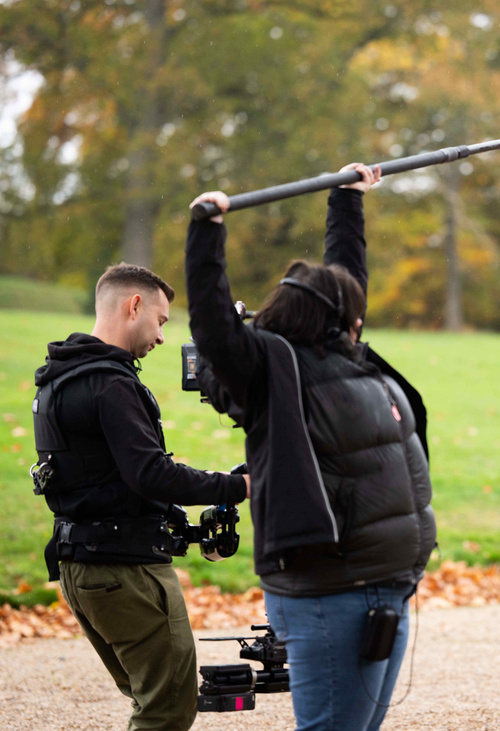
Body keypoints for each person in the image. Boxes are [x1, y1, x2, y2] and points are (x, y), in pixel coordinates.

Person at [185, 162, 436, 731]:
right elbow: (215, 327)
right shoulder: (274, 374)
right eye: (351, 311)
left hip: (386, 587)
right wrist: (206, 234)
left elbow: (346, 280)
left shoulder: (344, 357)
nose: (360, 317)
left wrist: (346, 199)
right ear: (330, 316)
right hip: (332, 595)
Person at [30, 263, 250, 731]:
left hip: (80, 567)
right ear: (134, 306)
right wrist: (238, 486)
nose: (163, 337)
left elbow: (106, 476)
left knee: (151, 699)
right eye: (161, 320)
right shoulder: (111, 383)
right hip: (124, 570)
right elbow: (151, 474)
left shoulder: (57, 379)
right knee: (166, 708)